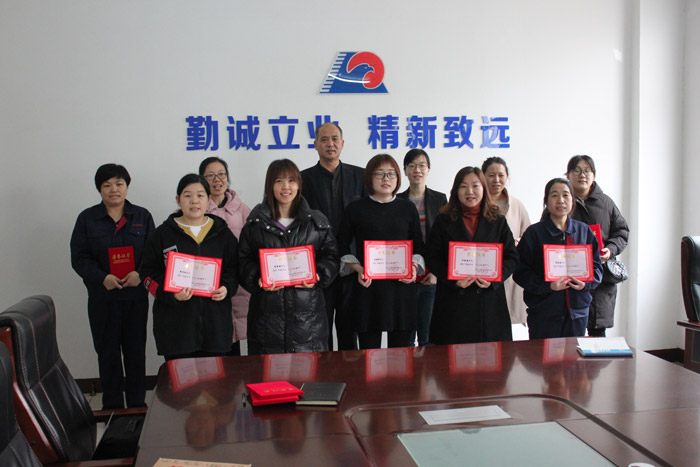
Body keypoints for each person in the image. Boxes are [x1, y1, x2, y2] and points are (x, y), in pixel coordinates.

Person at [70, 163, 155, 409]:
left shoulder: (142, 216)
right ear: (100, 189)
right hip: (103, 299)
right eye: (107, 185)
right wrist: (102, 277)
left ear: (127, 186)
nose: (114, 189)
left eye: (119, 183)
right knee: (107, 354)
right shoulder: (87, 219)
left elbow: (153, 253)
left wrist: (140, 274)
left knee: (135, 353)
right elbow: (79, 257)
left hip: (135, 298)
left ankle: (137, 406)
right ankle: (113, 408)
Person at [238, 159, 339, 354]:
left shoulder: (316, 221)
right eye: (279, 181)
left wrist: (318, 275)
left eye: (291, 180)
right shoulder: (255, 224)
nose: (286, 187)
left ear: (299, 185)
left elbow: (332, 255)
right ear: (270, 186)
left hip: (308, 323)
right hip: (267, 322)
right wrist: (258, 278)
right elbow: (243, 261)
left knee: (308, 372)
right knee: (268, 372)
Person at [140, 174, 239, 361]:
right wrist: (171, 294)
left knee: (214, 379)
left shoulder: (222, 234)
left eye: (200, 195)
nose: (194, 201)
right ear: (178, 200)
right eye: (187, 195)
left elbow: (234, 268)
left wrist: (226, 287)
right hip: (176, 331)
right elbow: (146, 273)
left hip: (215, 328)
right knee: (180, 380)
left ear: (209, 200)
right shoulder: (162, 235)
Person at [338, 154, 424, 349]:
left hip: (401, 289)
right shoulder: (355, 208)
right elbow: (341, 244)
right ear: (369, 177)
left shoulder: (408, 208)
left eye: (391, 174)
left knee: (401, 354)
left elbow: (418, 245)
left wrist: (413, 267)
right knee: (369, 354)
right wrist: (359, 269)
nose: (386, 179)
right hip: (368, 288)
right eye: (379, 174)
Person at [426, 167, 518, 344]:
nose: (470, 191)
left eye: (475, 186)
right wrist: (453, 279)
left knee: (490, 358)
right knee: (451, 358)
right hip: (453, 303)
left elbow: (512, 257)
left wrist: (494, 279)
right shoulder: (443, 220)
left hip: (488, 303)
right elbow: (432, 256)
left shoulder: (498, 220)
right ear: (456, 190)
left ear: (484, 188)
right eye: (463, 186)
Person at [301, 122, 366, 350]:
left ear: (342, 143)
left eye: (335, 139)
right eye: (324, 139)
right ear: (315, 144)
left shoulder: (360, 176)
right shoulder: (303, 179)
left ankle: (352, 372)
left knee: (349, 332)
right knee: (321, 331)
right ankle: (324, 373)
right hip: (319, 267)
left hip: (352, 266)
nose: (330, 144)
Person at [514, 178, 603, 339]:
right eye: (554, 195)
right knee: (542, 355)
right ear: (546, 201)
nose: (560, 200)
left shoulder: (584, 232)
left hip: (577, 314)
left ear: (573, 200)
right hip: (543, 314)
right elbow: (520, 273)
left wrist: (586, 283)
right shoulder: (534, 233)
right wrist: (548, 286)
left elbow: (597, 268)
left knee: (573, 355)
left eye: (566, 195)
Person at [566, 155, 629, 337]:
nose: (582, 175)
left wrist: (610, 250)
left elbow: (622, 232)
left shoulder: (606, 203)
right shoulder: (561, 202)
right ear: (568, 175)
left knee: (597, 332)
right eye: (577, 170)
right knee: (569, 331)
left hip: (600, 277)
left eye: (587, 171)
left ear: (594, 175)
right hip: (570, 275)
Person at [199, 156, 252, 355]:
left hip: (237, 280)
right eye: (210, 175)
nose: (217, 180)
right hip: (209, 282)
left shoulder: (242, 209)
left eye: (221, 174)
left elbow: (252, 243)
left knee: (235, 341)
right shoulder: (199, 209)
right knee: (215, 338)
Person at [397, 149, 447, 346]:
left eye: (421, 165)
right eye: (412, 166)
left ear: (428, 169)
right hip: (404, 275)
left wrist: (436, 272)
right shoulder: (396, 200)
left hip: (431, 275)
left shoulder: (440, 199)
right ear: (405, 171)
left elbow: (445, 239)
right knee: (406, 335)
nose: (417, 170)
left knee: (429, 335)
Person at [481, 157, 531, 326]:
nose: (496, 180)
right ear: (483, 176)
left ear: (507, 177)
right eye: (491, 175)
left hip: (509, 271)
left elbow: (529, 237)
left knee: (506, 323)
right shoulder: (475, 204)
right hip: (483, 271)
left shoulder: (516, 205)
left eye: (501, 175)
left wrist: (517, 243)